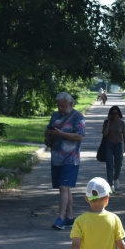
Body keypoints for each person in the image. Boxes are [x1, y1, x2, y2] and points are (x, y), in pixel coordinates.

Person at [45, 92, 85, 230]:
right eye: (58, 105)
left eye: (63, 105)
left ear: (70, 104)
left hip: (71, 158)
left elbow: (79, 136)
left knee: (63, 187)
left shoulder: (78, 117)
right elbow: (48, 130)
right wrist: (49, 133)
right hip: (56, 157)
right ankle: (70, 217)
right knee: (64, 188)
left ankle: (60, 218)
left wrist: (60, 133)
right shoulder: (55, 116)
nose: (60, 108)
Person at [102, 106, 125, 191]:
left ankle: (116, 178)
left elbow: (124, 135)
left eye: (116, 113)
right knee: (109, 165)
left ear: (119, 114)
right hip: (109, 145)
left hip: (119, 145)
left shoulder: (122, 123)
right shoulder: (106, 122)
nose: (114, 115)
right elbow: (105, 134)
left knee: (118, 165)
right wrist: (109, 122)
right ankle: (110, 184)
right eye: (112, 113)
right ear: (110, 114)